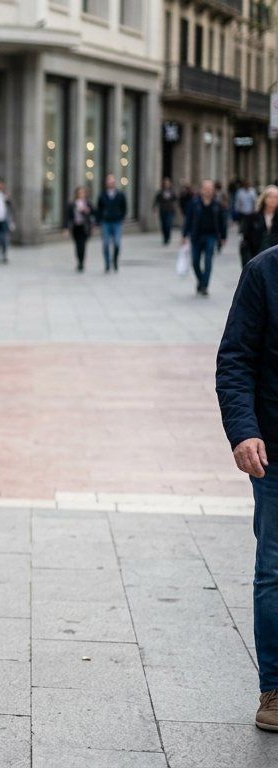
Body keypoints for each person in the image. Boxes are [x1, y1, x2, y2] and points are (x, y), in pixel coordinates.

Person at [215, 240, 278, 733]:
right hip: (275, 450)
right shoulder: (265, 272)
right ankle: (275, 687)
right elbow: (235, 359)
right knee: (275, 568)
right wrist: (244, 431)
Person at [183, 179, 228, 297]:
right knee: (195, 262)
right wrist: (184, 235)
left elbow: (223, 222)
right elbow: (188, 220)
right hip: (196, 236)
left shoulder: (217, 205)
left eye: (210, 189)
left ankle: (204, 286)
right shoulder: (194, 203)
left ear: (213, 191)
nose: (207, 191)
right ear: (201, 190)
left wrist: (223, 236)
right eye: (205, 189)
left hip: (211, 236)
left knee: (208, 261)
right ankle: (201, 280)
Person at [95, 175, 127, 272]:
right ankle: (107, 263)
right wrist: (98, 220)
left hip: (117, 222)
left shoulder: (120, 195)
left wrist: (121, 217)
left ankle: (115, 260)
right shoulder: (102, 195)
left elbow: (124, 207)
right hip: (106, 222)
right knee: (105, 243)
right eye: (109, 181)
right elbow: (99, 208)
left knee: (117, 243)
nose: (111, 183)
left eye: (112, 181)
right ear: (106, 183)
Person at [241, 186, 278, 269]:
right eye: (270, 196)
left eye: (276, 197)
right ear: (264, 198)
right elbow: (246, 239)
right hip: (257, 257)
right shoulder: (253, 217)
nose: (273, 200)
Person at [70, 186, 95, 273]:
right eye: (79, 193)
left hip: (84, 227)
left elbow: (94, 213)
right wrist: (65, 228)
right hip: (76, 227)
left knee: (83, 245)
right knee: (77, 245)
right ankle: (79, 260)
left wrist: (86, 211)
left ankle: (81, 262)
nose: (81, 194)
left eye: (83, 193)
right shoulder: (73, 204)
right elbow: (68, 216)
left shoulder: (88, 203)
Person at [154, 178, 178, 245]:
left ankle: (168, 237)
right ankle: (165, 237)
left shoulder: (172, 191)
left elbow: (175, 199)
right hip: (162, 210)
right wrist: (155, 208)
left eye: (168, 183)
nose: (167, 184)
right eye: (165, 183)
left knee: (168, 224)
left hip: (170, 210)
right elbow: (156, 200)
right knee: (163, 224)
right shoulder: (160, 192)